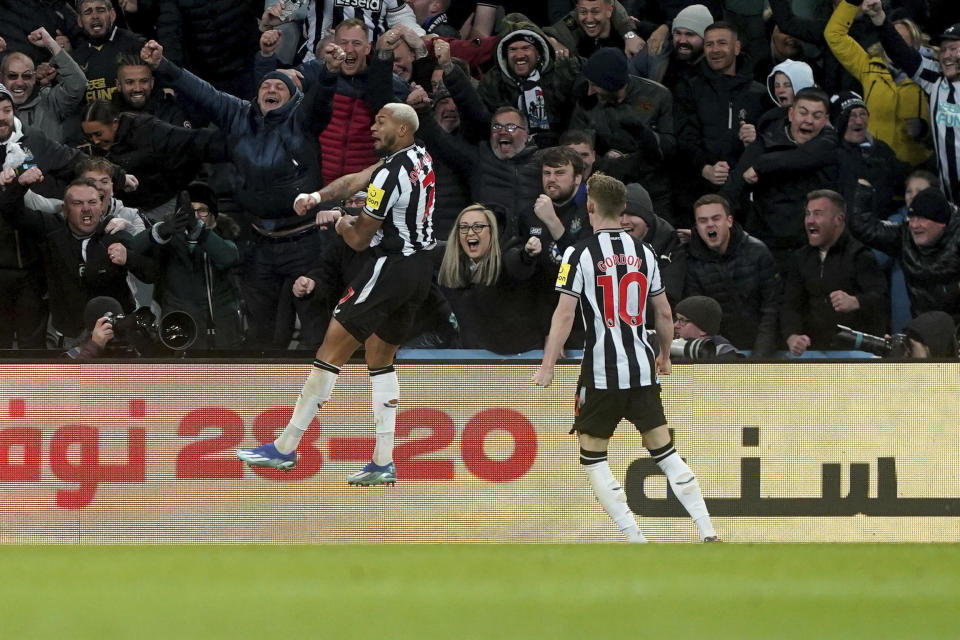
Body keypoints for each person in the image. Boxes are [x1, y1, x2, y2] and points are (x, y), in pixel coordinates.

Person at [237, 103, 437, 487]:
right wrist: (317, 197)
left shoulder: (390, 175)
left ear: (402, 128)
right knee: (380, 358)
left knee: (330, 350)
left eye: (381, 121)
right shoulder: (418, 156)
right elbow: (358, 178)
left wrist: (343, 223)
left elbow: (360, 240)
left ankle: (285, 446)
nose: (372, 127)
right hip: (419, 270)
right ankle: (382, 461)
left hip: (391, 266)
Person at [533, 172, 718, 543]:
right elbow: (664, 313)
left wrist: (548, 363)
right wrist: (664, 355)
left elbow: (565, 314)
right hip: (641, 368)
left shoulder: (579, 253)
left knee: (593, 456)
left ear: (589, 207)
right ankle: (707, 530)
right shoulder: (645, 252)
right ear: (622, 210)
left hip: (601, 372)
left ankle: (634, 537)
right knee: (664, 451)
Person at [141, 37, 341, 348]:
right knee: (264, 332)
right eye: (265, 86)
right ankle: (263, 394)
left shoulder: (302, 119)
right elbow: (203, 93)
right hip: (260, 241)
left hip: (306, 242)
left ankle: (319, 394)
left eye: (280, 88)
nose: (271, 90)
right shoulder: (240, 115)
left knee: (315, 329)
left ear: (294, 99)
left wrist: (329, 72)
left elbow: (322, 100)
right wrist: (162, 66)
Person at [0, 174, 158, 347]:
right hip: (71, 337)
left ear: (101, 207)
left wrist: (129, 258)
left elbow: (152, 274)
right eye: (77, 203)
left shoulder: (115, 235)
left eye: (92, 202)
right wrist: (20, 185)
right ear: (65, 209)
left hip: (117, 336)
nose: (86, 208)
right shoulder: (51, 230)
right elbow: (9, 210)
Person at [721, 87, 838, 272]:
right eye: (803, 112)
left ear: (825, 120)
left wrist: (760, 165)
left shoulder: (828, 144)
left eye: (817, 116)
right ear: (791, 114)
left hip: (814, 245)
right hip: (768, 241)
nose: (809, 120)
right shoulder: (765, 142)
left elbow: (801, 158)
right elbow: (734, 186)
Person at [865, 0, 960, 203]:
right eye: (943, 50)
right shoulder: (935, 79)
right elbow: (901, 53)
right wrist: (880, 20)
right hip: (950, 198)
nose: (947, 56)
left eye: (953, 48)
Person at [569, 47, 674, 219]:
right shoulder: (586, 101)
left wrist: (647, 137)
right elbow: (576, 148)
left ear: (613, 85)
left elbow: (669, 147)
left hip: (652, 188)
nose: (589, 91)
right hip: (604, 186)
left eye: (596, 85)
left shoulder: (658, 95)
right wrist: (607, 161)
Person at [780, 189, 888, 356]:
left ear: (838, 219)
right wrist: (792, 336)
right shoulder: (800, 258)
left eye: (817, 214)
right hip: (812, 349)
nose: (810, 220)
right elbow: (791, 306)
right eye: (807, 214)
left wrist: (857, 301)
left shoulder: (860, 256)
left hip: (854, 352)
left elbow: (881, 300)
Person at [825, 0, 930, 168]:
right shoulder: (868, 66)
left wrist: (924, 130)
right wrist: (853, 2)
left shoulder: (931, 75)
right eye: (890, 38)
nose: (893, 46)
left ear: (915, 45)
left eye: (901, 41)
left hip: (916, 167)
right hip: (874, 164)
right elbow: (834, 35)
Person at [437, 204, 547, 354]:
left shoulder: (506, 256)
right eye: (464, 227)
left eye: (478, 227)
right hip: (473, 356)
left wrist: (527, 255)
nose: (470, 233)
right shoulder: (450, 260)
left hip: (519, 356)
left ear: (491, 232)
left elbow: (517, 263)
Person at [684, 193, 781, 356]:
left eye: (715, 218)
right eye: (703, 221)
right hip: (719, 355)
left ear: (729, 221)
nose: (709, 225)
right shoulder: (690, 261)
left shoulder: (758, 252)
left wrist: (759, 359)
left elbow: (771, 310)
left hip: (763, 351)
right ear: (696, 226)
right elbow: (698, 320)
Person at [849, 183, 960, 324]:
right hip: (924, 328)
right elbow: (862, 227)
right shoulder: (903, 236)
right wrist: (864, 187)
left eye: (922, 218)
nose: (914, 225)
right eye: (912, 217)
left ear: (941, 223)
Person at [477, 16, 580, 146]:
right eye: (513, 49)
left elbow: (577, 117)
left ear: (538, 53)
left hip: (559, 149)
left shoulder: (561, 72)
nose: (519, 55)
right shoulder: (491, 83)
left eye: (526, 48)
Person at [1, 28, 87, 142]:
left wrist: (51, 44)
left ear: (34, 78)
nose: (20, 82)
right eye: (12, 76)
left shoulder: (50, 101)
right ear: (2, 78)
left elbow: (79, 84)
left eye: (26, 76)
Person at [72, 0, 146, 104]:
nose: (95, 16)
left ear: (112, 15)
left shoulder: (135, 45)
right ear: (80, 20)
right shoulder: (76, 57)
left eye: (100, 10)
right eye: (88, 12)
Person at [111, 54, 191, 129]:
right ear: (118, 85)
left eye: (144, 81)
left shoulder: (172, 112)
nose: (137, 89)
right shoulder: (109, 117)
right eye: (130, 82)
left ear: (152, 83)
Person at [673, 295, 743, 359]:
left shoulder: (727, 357)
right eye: (676, 319)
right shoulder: (676, 349)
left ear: (702, 329)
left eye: (682, 320)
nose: (675, 325)